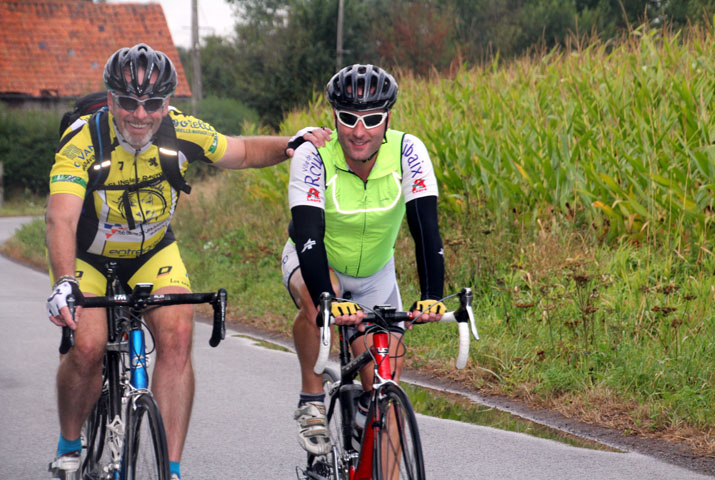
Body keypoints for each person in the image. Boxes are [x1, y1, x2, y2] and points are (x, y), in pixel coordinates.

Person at [45, 43, 329, 480]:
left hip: (152, 253)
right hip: (88, 258)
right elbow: (60, 218)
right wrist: (65, 280)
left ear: (167, 104)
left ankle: (169, 469)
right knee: (87, 345)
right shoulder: (84, 139)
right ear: (111, 100)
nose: (140, 115)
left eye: (152, 104)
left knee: (178, 332)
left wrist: (292, 144)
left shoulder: (180, 131)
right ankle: (69, 444)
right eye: (128, 103)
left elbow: (243, 152)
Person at [280, 64, 447, 456]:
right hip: (318, 261)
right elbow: (307, 234)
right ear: (334, 117)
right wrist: (328, 299)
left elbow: (425, 227)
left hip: (376, 275)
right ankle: (312, 400)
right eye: (348, 118)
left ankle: (366, 425)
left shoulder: (408, 150)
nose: (359, 131)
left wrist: (432, 294)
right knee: (319, 300)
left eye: (372, 119)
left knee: (385, 386)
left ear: (387, 117)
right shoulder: (314, 154)